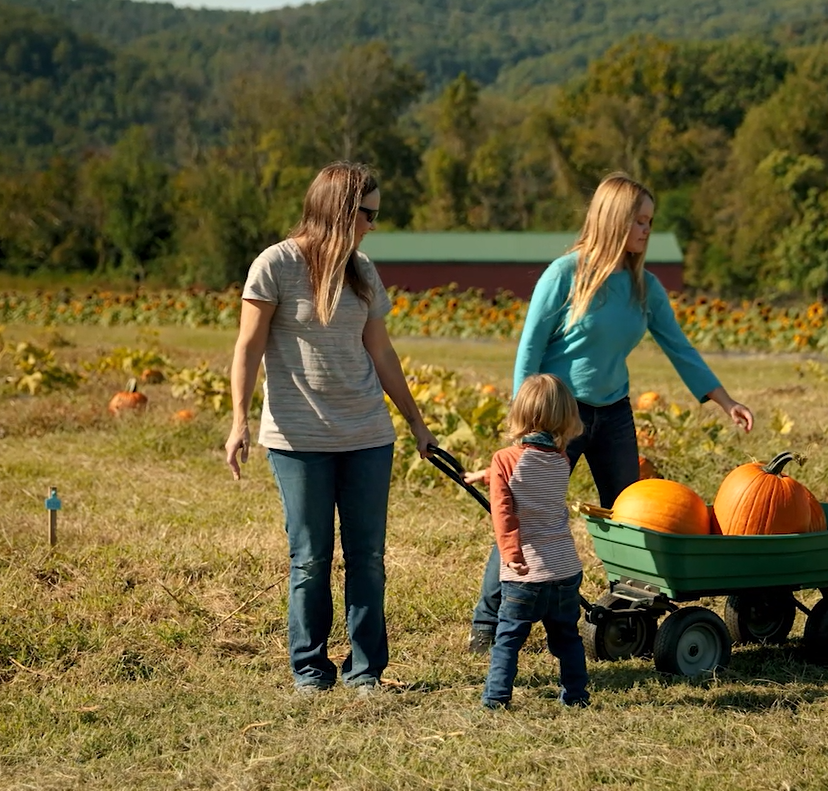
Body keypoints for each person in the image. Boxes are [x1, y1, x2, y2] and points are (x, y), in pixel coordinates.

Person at [467, 172, 755, 652]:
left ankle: (627, 615)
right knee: (529, 513)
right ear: (613, 219)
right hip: (558, 416)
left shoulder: (644, 286)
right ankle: (489, 620)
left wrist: (724, 400)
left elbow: (678, 347)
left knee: (630, 517)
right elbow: (529, 350)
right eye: (639, 221)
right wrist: (524, 426)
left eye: (650, 222)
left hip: (614, 414)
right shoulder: (565, 275)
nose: (646, 231)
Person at [225, 161, 436, 694]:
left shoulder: (363, 270)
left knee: (368, 557)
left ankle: (366, 672)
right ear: (340, 211)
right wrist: (238, 421)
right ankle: (311, 669)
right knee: (311, 558)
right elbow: (248, 348)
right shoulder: (275, 265)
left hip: (367, 435)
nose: (372, 224)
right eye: (367, 214)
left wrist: (416, 421)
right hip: (299, 440)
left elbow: (381, 350)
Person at [481, 374, 590, 709]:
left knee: (508, 640)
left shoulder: (504, 459)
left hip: (525, 572)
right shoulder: (562, 460)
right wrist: (484, 476)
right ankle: (576, 697)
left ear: (521, 413)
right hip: (564, 567)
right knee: (567, 638)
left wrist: (511, 553)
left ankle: (496, 699)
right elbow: (529, 482)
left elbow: (504, 512)